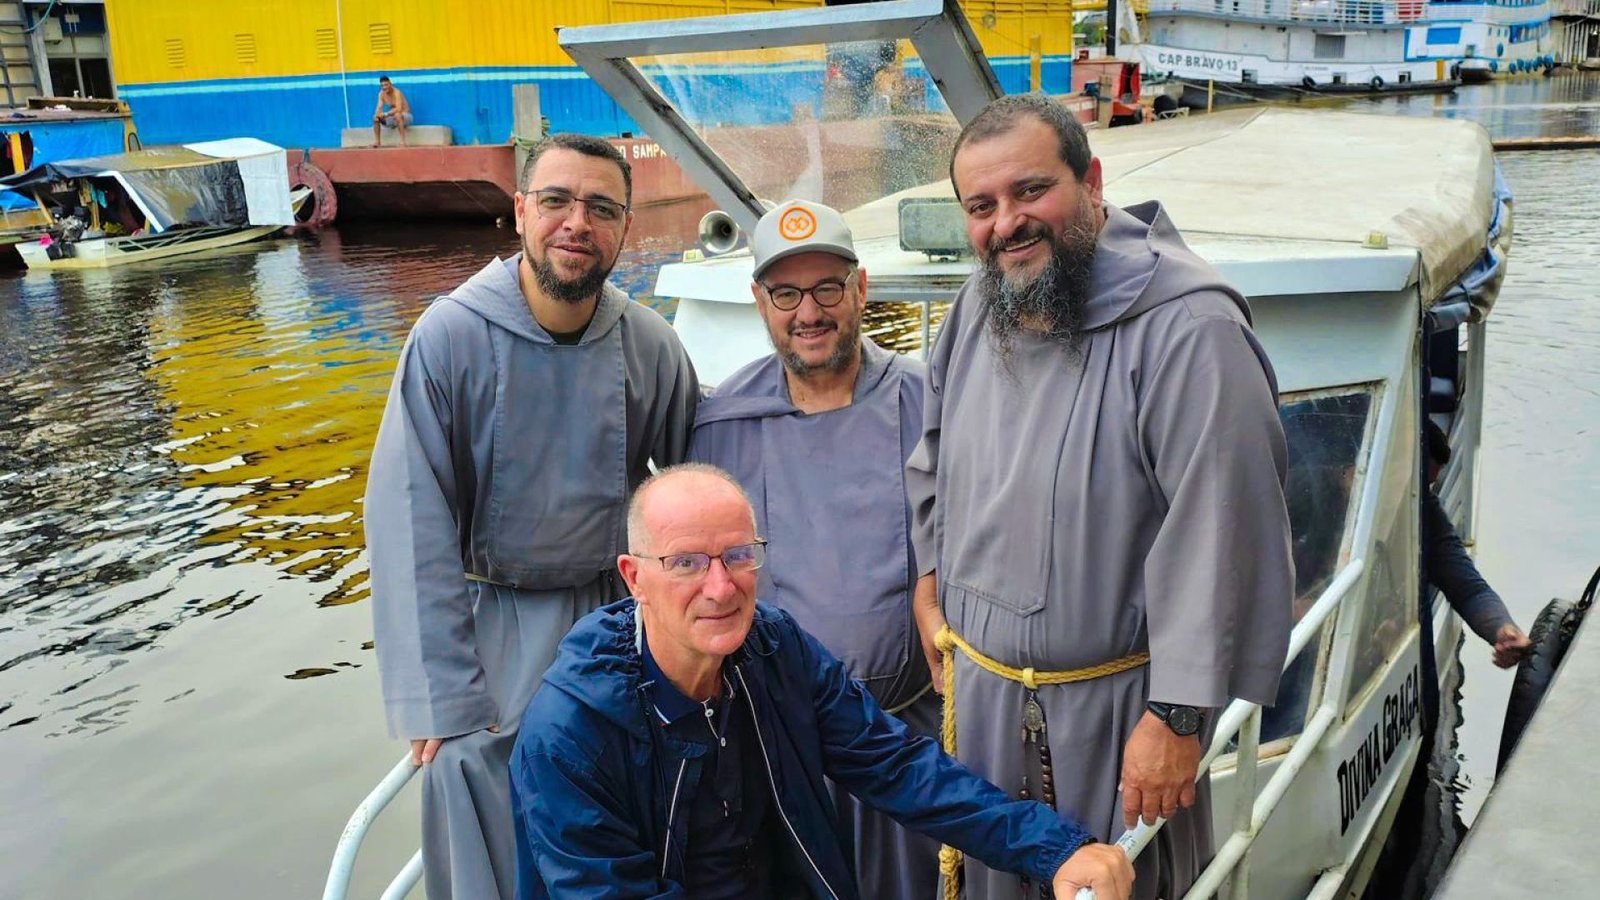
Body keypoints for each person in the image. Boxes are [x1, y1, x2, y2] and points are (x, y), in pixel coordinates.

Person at [905, 93, 1294, 900]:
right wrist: (927, 582)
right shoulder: (980, 306)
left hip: (1121, 724)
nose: (1007, 223)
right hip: (981, 708)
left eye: (1030, 191)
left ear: (1091, 181)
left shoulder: (1190, 328)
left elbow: (1224, 527)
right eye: (981, 206)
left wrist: (1180, 718)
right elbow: (933, 459)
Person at [509, 464, 1134, 900]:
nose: (721, 587)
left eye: (738, 556)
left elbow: (898, 767)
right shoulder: (570, 737)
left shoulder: (775, 652)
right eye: (686, 564)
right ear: (633, 577)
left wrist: (1052, 847)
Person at [364, 133, 698, 900]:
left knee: (635, 797)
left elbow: (688, 489)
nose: (576, 222)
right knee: (471, 774)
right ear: (520, 212)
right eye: (556, 201)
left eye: (601, 207)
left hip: (618, 614)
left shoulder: (649, 343)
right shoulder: (448, 338)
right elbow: (412, 519)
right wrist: (439, 695)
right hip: (499, 621)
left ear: (623, 226)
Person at [687, 199, 940, 899]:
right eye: (786, 294)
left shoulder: (933, 404)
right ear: (760, 302)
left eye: (828, 287)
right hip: (776, 752)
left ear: (860, 289)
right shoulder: (720, 427)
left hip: (909, 739)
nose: (809, 312)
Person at [1423, 419, 1529, 666]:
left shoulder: (1423, 513)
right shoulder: (1318, 495)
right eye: (1414, 481)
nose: (1418, 492)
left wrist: (1503, 631)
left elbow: (1470, 590)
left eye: (1426, 485)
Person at [372, 75, 412, 147]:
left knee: (397, 115)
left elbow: (399, 109)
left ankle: (403, 142)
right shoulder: (381, 94)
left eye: (386, 85)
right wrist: (378, 114)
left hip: (406, 117)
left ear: (390, 84)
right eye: (382, 85)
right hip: (392, 118)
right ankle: (377, 142)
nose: (384, 87)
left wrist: (386, 114)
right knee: (375, 118)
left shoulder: (397, 92)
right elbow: (379, 107)